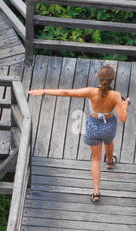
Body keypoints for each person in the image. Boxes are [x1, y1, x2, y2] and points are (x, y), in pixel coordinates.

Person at [29, 66, 130, 203]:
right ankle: (110, 162)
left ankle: (96, 192)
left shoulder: (91, 91)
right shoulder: (116, 95)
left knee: (95, 159)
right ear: (112, 79)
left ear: (99, 78)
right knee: (109, 141)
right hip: (108, 126)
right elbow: (123, 118)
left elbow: (66, 92)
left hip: (93, 125)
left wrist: (44, 91)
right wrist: (125, 105)